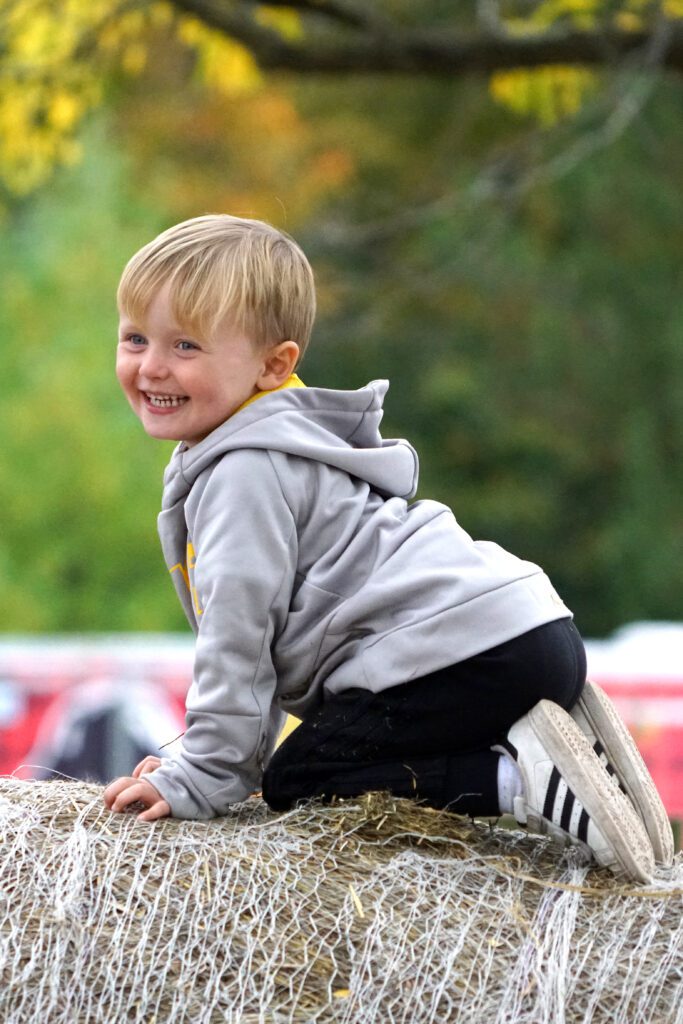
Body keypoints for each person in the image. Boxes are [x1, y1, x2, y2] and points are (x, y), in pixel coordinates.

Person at [104, 214, 673, 883]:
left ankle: (521, 780)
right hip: (522, 631)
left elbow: (237, 630)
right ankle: (556, 741)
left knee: (303, 776)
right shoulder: (284, 442)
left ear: (272, 365)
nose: (152, 366)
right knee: (331, 744)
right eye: (136, 337)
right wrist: (209, 761)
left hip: (463, 656)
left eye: (186, 347)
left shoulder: (243, 470)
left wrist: (204, 774)